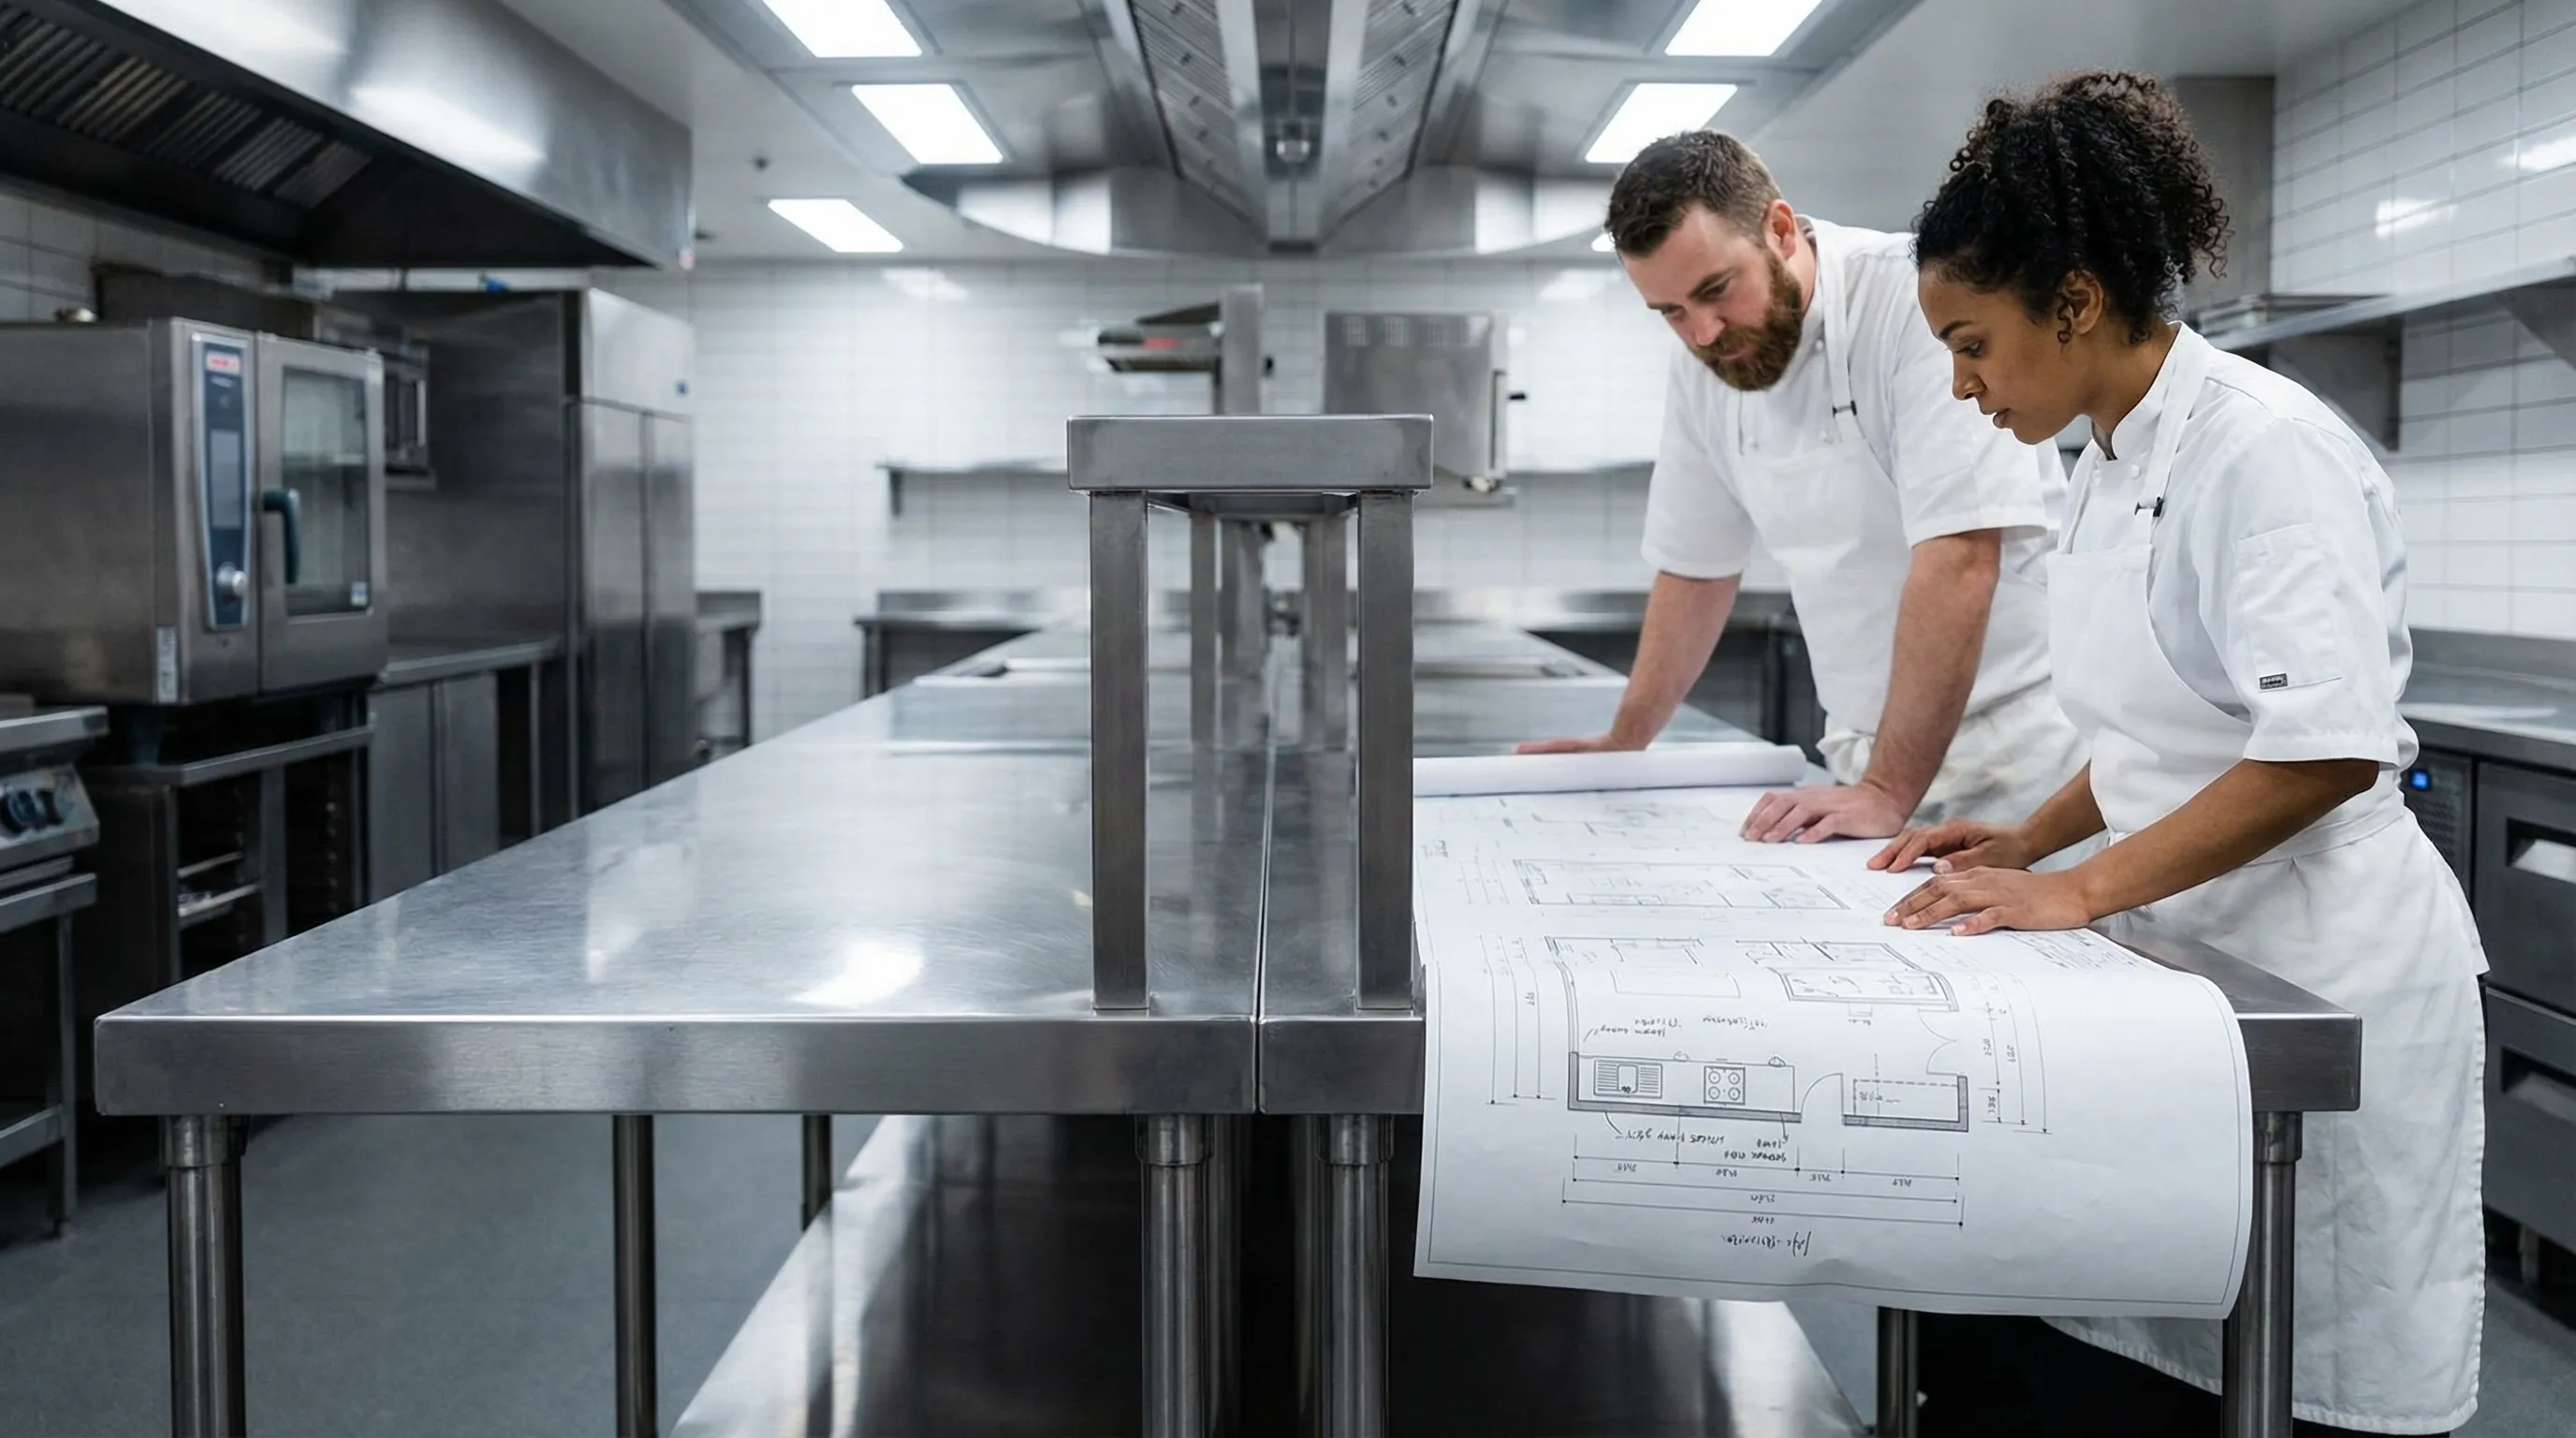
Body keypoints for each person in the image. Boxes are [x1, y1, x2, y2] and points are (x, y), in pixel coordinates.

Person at [1879, 71, 2485, 1436]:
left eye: (1973, 343)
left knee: (2306, 1367)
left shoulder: (2261, 451)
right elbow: (2164, 723)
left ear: (2076, 302)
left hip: (2316, 971)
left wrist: (2076, 890)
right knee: (2160, 1351)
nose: (1962, 386)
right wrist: (2028, 839)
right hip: (2194, 957)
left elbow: (2320, 748)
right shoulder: (2097, 455)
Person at [1519, 130, 2087, 843]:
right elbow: (1695, 568)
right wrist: (1625, 742)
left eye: (1716, 291)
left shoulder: (1914, 302)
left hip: (2019, 768)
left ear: (1780, 231)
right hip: (1867, 770)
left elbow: (1963, 557)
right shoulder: (1706, 359)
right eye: (1669, 313)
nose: (1701, 333)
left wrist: (1888, 788)